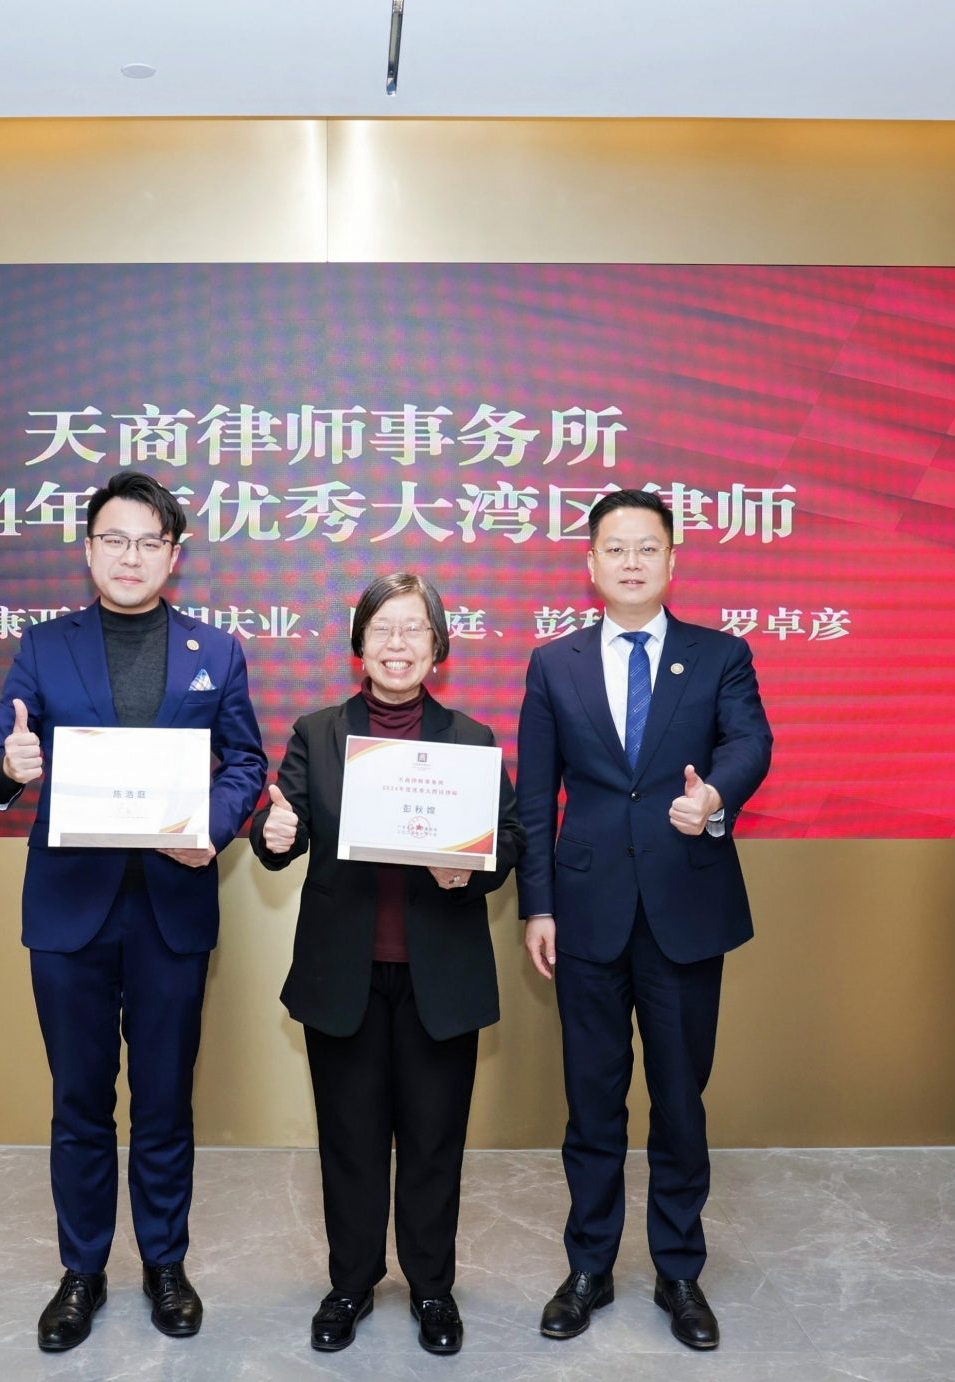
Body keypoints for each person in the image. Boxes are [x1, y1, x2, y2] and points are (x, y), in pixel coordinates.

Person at [0, 471, 268, 1353]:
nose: (130, 556)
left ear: (173, 555)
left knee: (166, 1099)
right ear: (89, 549)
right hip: (71, 910)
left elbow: (245, 763)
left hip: (172, 907)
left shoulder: (217, 650)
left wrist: (210, 828)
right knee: (79, 1100)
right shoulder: (44, 647)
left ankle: (166, 1264)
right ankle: (82, 1270)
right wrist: (11, 767)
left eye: (148, 542)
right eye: (114, 539)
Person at [516, 488, 772, 1350]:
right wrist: (538, 904)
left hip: (685, 909)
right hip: (585, 913)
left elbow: (750, 743)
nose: (632, 561)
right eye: (616, 548)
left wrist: (715, 798)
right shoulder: (553, 665)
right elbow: (534, 798)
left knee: (679, 1100)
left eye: (647, 547)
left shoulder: (719, 655)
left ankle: (679, 1271)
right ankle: (589, 1266)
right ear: (590, 563)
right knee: (592, 1102)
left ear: (673, 560)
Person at [247, 572, 523, 1358]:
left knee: (435, 1140)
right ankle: (351, 1282)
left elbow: (511, 839)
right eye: (382, 629)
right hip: (346, 973)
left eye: (414, 629)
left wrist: (470, 870)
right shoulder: (318, 734)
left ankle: (432, 1288)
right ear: (358, 644)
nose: (397, 645)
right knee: (350, 1139)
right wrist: (272, 832)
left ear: (438, 647)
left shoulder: (470, 740)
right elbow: (284, 828)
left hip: (441, 974)